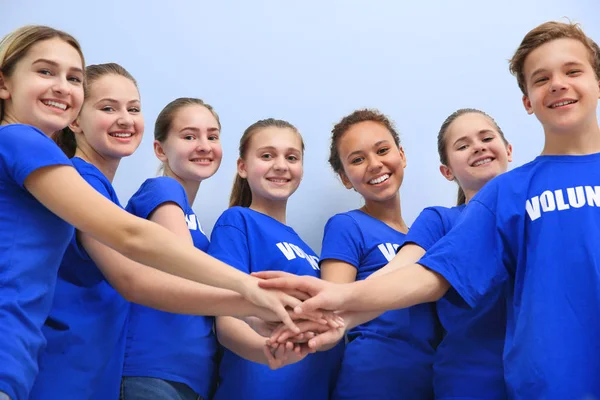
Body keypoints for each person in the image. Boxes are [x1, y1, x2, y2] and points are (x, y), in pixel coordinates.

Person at [256, 21, 600, 400]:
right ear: (527, 101)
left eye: (573, 71)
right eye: (541, 78)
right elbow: (426, 274)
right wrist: (342, 301)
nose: (557, 84)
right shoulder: (507, 194)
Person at [0, 25, 300, 400]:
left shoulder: (84, 183)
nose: (61, 86)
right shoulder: (28, 143)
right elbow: (135, 254)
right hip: (49, 367)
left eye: (73, 78)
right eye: (45, 71)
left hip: (66, 370)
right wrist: (249, 291)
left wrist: (255, 311)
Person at [209, 118, 344, 400]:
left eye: (291, 157)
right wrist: (268, 353)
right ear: (242, 167)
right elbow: (226, 318)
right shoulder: (237, 221)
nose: (281, 165)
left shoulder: (310, 253)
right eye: (267, 155)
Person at [319, 109, 440, 399]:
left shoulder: (426, 238)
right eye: (357, 160)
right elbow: (333, 308)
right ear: (345, 178)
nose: (375, 164)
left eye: (383, 150)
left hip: (431, 383)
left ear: (402, 156)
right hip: (372, 383)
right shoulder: (346, 225)